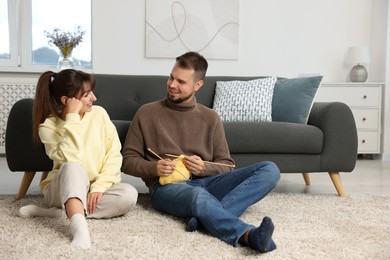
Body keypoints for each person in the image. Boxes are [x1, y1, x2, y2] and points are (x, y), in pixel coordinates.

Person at [121, 52, 280, 253]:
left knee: (270, 170)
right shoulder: (146, 113)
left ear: (198, 85)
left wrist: (205, 167)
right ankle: (248, 235)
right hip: (166, 188)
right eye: (171, 77)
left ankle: (202, 219)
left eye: (181, 81)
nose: (172, 84)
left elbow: (227, 164)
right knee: (197, 195)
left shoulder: (210, 117)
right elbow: (127, 161)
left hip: (207, 183)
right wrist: (155, 168)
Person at [18, 69, 138, 249]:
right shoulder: (48, 127)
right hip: (60, 189)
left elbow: (113, 154)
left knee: (129, 195)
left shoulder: (99, 114)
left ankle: (59, 213)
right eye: (87, 95)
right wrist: (72, 117)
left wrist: (99, 187)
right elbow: (71, 158)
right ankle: (80, 231)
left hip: (92, 189)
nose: (94, 99)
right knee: (73, 167)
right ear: (67, 101)